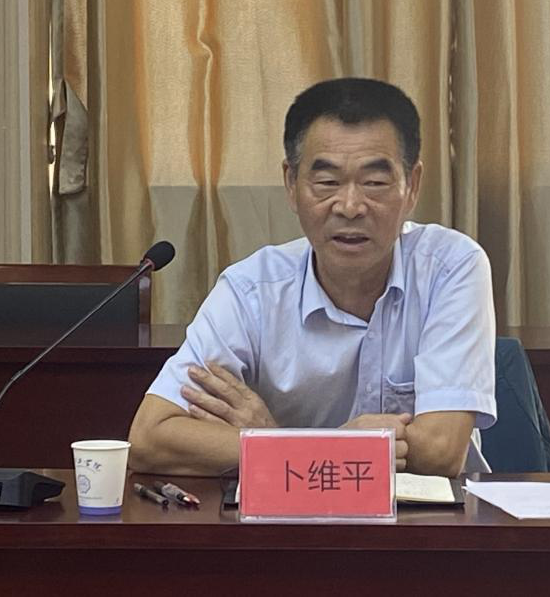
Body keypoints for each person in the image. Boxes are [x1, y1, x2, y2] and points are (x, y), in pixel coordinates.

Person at [129, 78, 496, 476]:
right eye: (327, 182)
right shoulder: (251, 291)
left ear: (412, 187)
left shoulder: (451, 267)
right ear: (291, 184)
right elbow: (150, 438)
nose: (350, 206)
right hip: (291, 514)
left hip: (431, 513)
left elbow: (441, 452)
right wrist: (314, 447)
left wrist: (274, 442)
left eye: (374, 183)